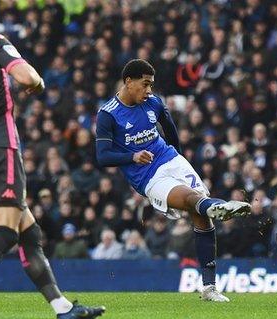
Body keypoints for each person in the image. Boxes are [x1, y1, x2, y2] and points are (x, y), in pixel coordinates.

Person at [0, 0, 104, 319]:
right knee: (6, 233)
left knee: (29, 233)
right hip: (0, 147)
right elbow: (28, 76)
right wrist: (35, 84)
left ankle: (63, 309)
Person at [95, 59, 251, 302]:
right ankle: (220, 206)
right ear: (128, 81)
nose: (149, 91)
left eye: (151, 85)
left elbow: (170, 129)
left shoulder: (154, 103)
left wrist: (177, 158)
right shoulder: (108, 114)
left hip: (170, 160)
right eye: (145, 84)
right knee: (193, 201)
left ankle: (209, 288)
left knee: (201, 212)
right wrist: (132, 156)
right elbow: (102, 157)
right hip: (147, 176)